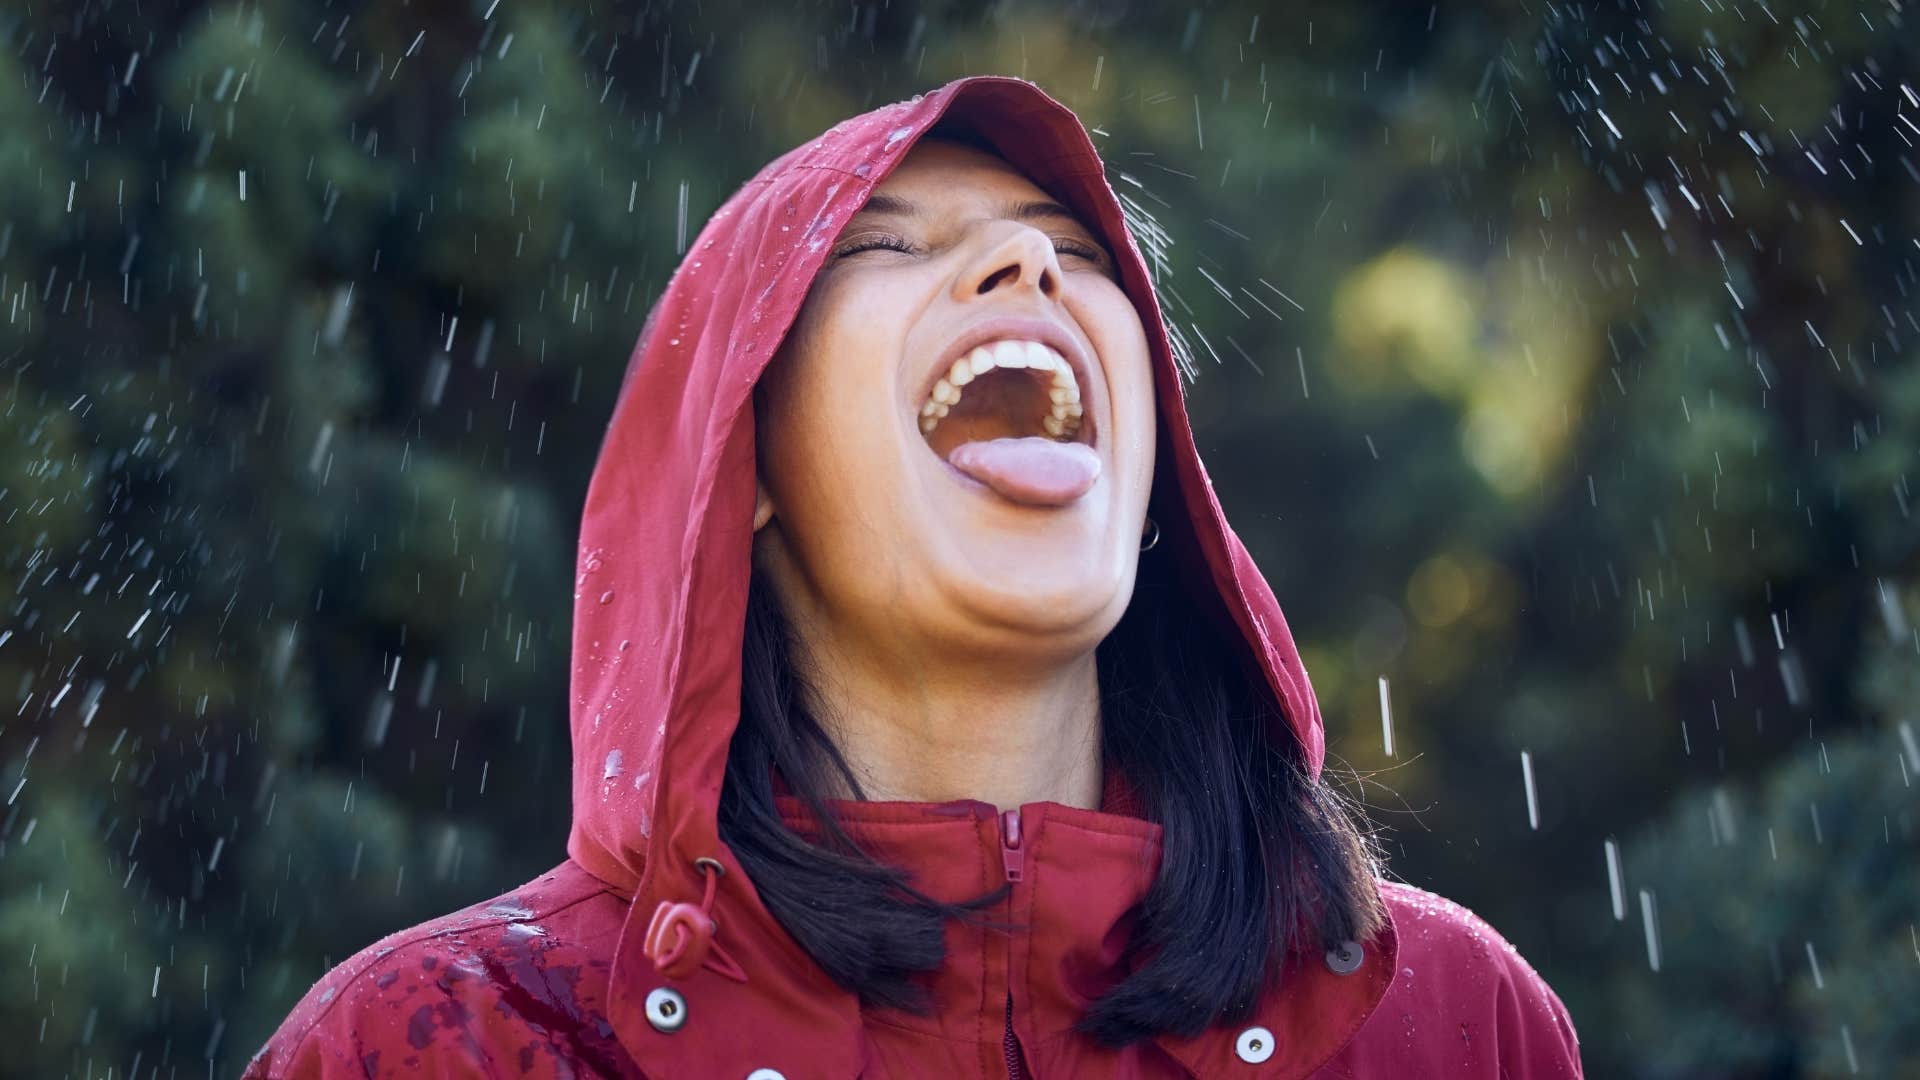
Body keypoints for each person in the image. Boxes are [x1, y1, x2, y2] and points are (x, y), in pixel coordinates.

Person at [244, 75, 1582, 1079]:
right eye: (886, 244)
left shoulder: (1446, 1023)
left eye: (1073, 245)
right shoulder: (440, 1042)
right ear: (740, 465)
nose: (1026, 263)